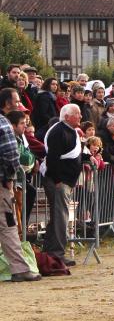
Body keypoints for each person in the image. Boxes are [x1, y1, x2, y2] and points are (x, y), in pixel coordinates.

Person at [42, 103, 86, 267]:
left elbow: (75, 153)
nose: (81, 116)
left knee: (58, 218)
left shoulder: (70, 131)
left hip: (64, 181)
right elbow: (53, 158)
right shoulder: (58, 131)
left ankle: (51, 252)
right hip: (58, 181)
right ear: (67, 117)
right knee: (61, 218)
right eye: (78, 114)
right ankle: (57, 254)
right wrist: (58, 180)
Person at [0, 105, 41, 281]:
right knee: (8, 225)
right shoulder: (3, 124)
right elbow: (11, 155)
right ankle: (19, 269)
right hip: (1, 185)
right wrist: (10, 176)